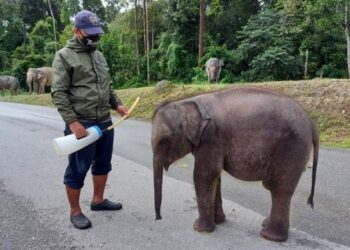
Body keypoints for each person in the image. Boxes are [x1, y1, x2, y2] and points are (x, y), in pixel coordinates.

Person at [51, 10, 128, 230]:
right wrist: (72, 122)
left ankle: (98, 200)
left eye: (97, 34)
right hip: (81, 124)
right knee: (77, 169)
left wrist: (117, 104)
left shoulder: (99, 55)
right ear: (76, 31)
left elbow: (108, 86)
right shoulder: (64, 56)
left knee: (103, 164)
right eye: (89, 34)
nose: (94, 38)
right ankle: (75, 211)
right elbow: (59, 93)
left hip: (105, 121)